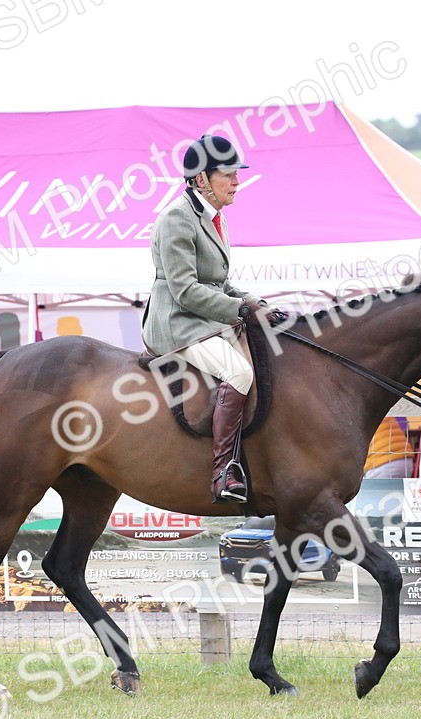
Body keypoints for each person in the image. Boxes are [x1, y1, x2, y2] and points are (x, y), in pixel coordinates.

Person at [142, 134, 288, 503]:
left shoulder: (213, 218)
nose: (237, 181)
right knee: (239, 372)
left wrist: (258, 304)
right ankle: (224, 471)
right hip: (177, 321)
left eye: (237, 174)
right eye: (229, 175)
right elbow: (185, 290)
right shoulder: (178, 218)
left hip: (205, 317)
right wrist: (240, 311)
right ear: (202, 179)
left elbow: (220, 283)